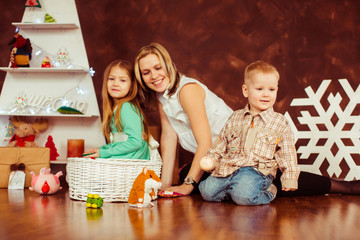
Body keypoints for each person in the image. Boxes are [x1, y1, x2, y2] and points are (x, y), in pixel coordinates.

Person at [135, 42, 360, 197]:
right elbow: (168, 139)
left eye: (158, 67)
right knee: (191, 178)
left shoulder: (187, 90)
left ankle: (346, 187)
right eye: (146, 73)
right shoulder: (163, 98)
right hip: (218, 161)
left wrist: (186, 186)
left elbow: (206, 143)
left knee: (278, 181)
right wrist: (164, 186)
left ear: (169, 64)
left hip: (244, 155)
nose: (154, 76)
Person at [198, 61, 300, 205]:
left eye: (271, 90)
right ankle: (232, 191)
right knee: (206, 192)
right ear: (246, 90)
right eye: (259, 89)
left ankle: (268, 191)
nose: (266, 94)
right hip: (229, 167)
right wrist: (212, 158)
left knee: (244, 197)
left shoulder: (279, 122)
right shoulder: (235, 117)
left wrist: (290, 177)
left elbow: (287, 152)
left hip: (256, 171)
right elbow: (221, 143)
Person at [83, 59, 151, 159]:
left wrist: (104, 153)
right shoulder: (116, 108)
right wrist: (103, 149)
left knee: (97, 161)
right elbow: (120, 142)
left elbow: (135, 142)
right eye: (111, 79)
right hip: (128, 154)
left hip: (134, 157)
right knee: (91, 157)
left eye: (122, 80)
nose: (116, 83)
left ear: (132, 86)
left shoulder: (126, 107)